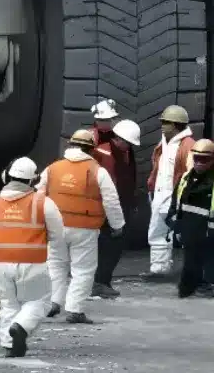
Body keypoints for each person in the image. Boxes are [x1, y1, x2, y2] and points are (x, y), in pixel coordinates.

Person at [38, 129, 125, 323]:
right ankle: (74, 309)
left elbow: (38, 195)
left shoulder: (53, 168)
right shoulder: (98, 171)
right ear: (91, 149)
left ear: (70, 145)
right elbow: (111, 200)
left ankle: (54, 303)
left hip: (55, 227)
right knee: (83, 270)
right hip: (85, 228)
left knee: (56, 266)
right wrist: (117, 225)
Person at [0, 157, 64, 358]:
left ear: (7, 176)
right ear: (33, 180)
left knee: (8, 303)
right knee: (40, 301)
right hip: (33, 262)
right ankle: (21, 327)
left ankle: (9, 344)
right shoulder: (43, 202)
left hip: (3, 262)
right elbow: (57, 234)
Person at [165, 139, 214, 298]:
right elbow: (176, 204)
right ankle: (190, 292)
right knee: (189, 270)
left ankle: (207, 293)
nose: (199, 163)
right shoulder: (185, 179)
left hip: (212, 236)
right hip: (190, 234)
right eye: (196, 158)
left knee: (210, 271)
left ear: (212, 160)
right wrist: (175, 226)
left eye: (204, 159)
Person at [93, 118, 141, 298]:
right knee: (108, 245)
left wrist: (132, 202)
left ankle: (102, 281)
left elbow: (129, 178)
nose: (128, 146)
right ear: (118, 138)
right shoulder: (101, 152)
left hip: (121, 204)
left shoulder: (126, 152)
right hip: (107, 207)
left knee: (115, 245)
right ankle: (99, 282)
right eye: (127, 143)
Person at [145, 104, 195, 279]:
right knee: (157, 231)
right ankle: (159, 269)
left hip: (175, 197)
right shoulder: (164, 143)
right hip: (160, 194)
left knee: (181, 234)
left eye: (165, 123)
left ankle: (193, 271)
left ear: (175, 125)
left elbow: (191, 174)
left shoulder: (188, 145)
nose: (162, 126)